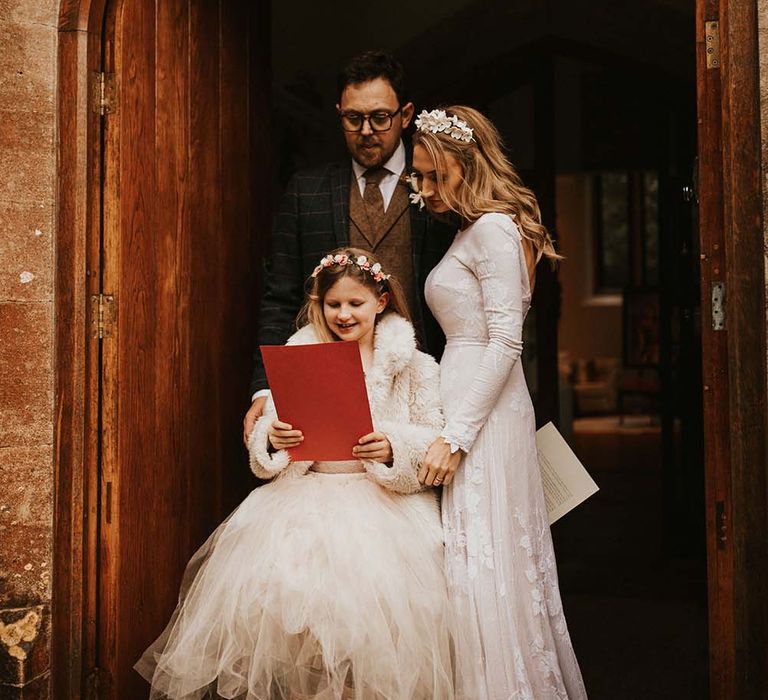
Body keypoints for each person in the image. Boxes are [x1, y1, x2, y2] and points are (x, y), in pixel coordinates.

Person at [136, 248, 455, 699]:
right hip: (304, 506)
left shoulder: (416, 367)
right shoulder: (301, 356)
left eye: (355, 304)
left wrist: (393, 448)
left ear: (381, 301)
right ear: (318, 305)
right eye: (333, 304)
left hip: (384, 517)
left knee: (370, 637)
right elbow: (270, 433)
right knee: (303, 639)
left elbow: (434, 440)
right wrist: (273, 438)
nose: (343, 314)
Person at [411, 107, 588, 699]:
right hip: (469, 399)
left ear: (466, 164)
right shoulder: (471, 229)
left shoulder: (494, 229)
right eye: (420, 176)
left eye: (436, 176)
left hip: (484, 414)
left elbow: (506, 341)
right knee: (471, 560)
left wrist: (456, 436)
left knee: (485, 560)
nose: (426, 190)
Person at [243, 50, 453, 444]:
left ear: (406, 115)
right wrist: (265, 388)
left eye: (380, 117)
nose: (367, 131)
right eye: (353, 119)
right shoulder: (307, 191)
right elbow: (280, 298)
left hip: (420, 391)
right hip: (327, 390)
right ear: (339, 113)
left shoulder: (439, 189)